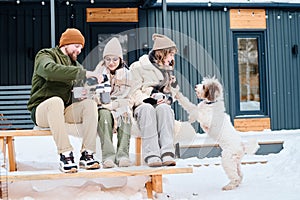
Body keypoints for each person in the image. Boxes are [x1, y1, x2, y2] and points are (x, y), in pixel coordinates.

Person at [27, 28, 100, 173]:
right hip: (42, 110)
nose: (79, 51)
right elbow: (49, 70)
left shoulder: (76, 66)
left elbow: (76, 92)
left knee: (90, 104)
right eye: (77, 46)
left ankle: (87, 153)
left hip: (64, 111)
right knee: (55, 101)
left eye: (81, 48)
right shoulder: (46, 55)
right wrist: (84, 73)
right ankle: (65, 154)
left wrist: (82, 94)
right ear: (66, 43)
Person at [129, 33, 178, 167]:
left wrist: (168, 97)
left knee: (165, 109)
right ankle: (152, 154)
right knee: (147, 109)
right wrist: (149, 99)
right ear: (162, 53)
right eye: (171, 54)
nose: (173, 58)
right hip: (142, 105)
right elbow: (133, 91)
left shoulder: (168, 70)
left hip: (160, 104)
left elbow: (173, 93)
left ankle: (167, 152)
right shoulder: (138, 66)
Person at [93, 37, 132, 168]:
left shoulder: (127, 74)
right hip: (103, 105)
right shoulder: (98, 73)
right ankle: (108, 156)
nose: (111, 62)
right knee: (103, 115)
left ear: (120, 59)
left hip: (120, 105)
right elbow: (93, 93)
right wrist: (103, 102)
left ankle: (123, 155)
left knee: (125, 114)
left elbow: (127, 97)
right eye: (108, 59)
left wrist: (113, 105)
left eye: (115, 59)